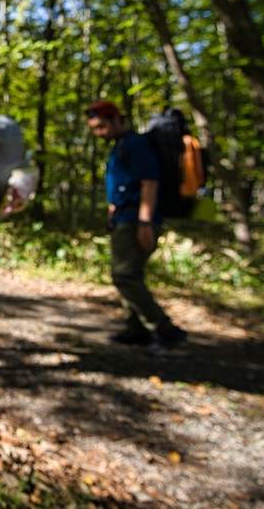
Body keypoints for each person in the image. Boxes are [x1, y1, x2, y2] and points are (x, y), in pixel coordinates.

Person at [85, 100, 188, 355]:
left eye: (101, 127)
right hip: (123, 219)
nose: (99, 133)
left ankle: (165, 330)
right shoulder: (120, 146)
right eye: (94, 129)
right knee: (129, 275)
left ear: (117, 120)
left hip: (137, 221)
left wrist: (145, 223)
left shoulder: (135, 144)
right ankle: (136, 329)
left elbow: (149, 183)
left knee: (125, 276)